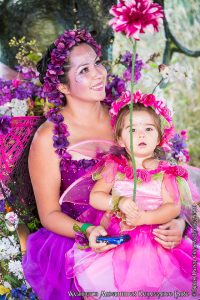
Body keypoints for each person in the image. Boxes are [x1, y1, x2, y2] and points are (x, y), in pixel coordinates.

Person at [22, 29, 186, 300]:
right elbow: (49, 214)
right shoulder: (48, 137)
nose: (99, 73)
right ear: (61, 86)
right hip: (87, 239)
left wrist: (176, 222)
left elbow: (163, 177)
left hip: (144, 228)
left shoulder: (124, 117)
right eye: (84, 70)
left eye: (97, 62)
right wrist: (87, 231)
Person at [63, 91, 200, 299]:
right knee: (108, 285)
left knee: (162, 286)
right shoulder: (114, 168)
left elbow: (172, 206)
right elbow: (96, 196)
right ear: (120, 139)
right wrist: (117, 201)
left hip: (155, 241)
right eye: (132, 129)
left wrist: (145, 218)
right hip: (119, 238)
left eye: (148, 129)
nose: (141, 134)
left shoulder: (166, 172)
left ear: (160, 136)